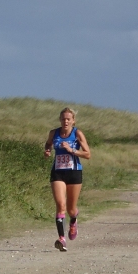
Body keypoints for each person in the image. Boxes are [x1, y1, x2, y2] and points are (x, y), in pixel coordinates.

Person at [44, 107, 91, 252]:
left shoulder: (77, 134)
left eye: (68, 119)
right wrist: (47, 150)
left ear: (73, 121)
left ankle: (73, 221)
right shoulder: (54, 133)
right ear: (60, 120)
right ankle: (61, 239)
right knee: (60, 204)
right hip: (58, 172)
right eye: (63, 119)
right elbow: (48, 143)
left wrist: (72, 150)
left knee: (71, 209)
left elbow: (87, 154)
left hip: (74, 172)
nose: (65, 121)